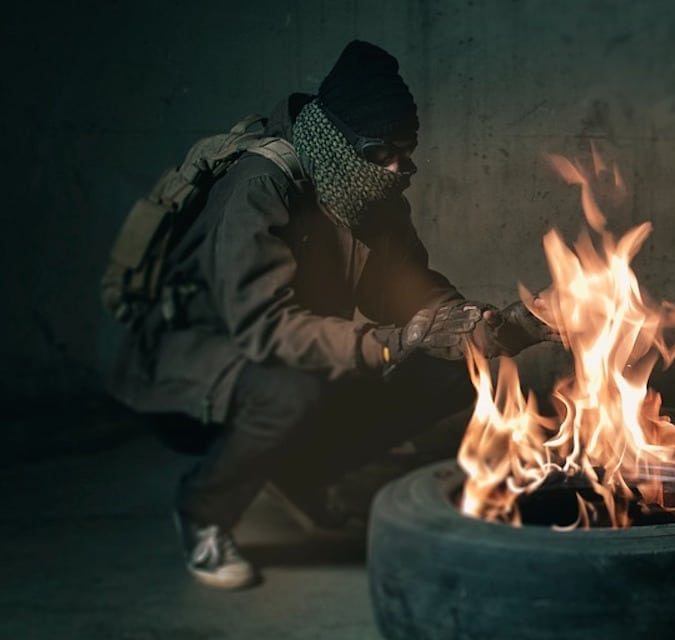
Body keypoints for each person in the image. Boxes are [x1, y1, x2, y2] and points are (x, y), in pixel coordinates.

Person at [105, 40, 554, 590]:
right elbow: (265, 329)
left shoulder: (367, 190)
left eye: (404, 150)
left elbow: (408, 294)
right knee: (292, 391)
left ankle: (302, 473)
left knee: (463, 365)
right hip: (195, 372)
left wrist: (479, 323)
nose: (397, 168)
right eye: (381, 151)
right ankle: (203, 512)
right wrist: (393, 341)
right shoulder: (258, 187)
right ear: (336, 141)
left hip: (297, 355)